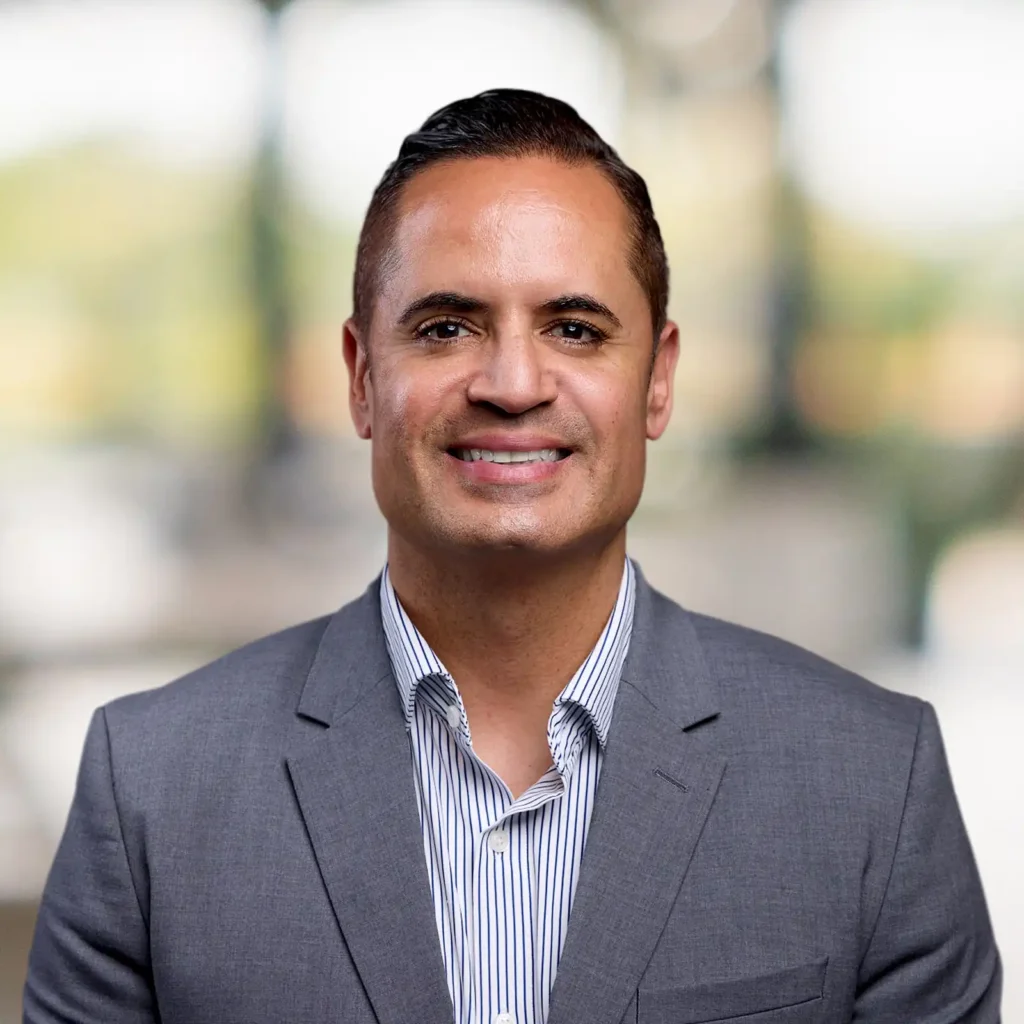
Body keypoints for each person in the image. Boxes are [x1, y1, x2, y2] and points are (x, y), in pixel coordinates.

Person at [24, 90, 1001, 1024]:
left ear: (657, 381)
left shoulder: (873, 779)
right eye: (447, 327)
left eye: (573, 329)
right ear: (363, 378)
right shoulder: (151, 783)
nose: (512, 382)